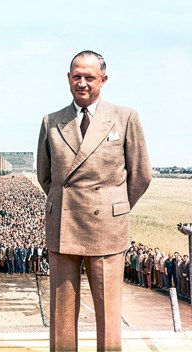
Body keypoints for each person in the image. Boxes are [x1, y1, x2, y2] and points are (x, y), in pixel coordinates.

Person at [37, 50, 152, 351]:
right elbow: (45, 176)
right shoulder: (52, 121)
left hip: (107, 228)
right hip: (64, 226)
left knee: (109, 315)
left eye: (90, 77)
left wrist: (115, 207)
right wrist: (67, 203)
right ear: (68, 79)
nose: (83, 83)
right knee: (62, 316)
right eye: (77, 77)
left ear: (104, 79)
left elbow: (141, 175)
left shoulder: (125, 117)